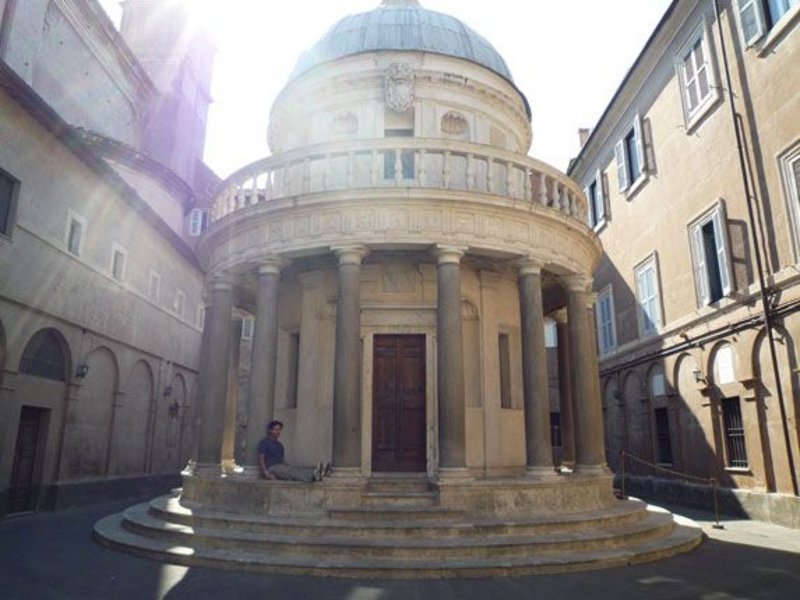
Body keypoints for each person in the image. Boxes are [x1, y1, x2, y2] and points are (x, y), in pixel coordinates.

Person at [257, 420, 331, 482]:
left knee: (293, 470)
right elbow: (261, 458)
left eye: (279, 429)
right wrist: (266, 473)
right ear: (270, 430)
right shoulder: (265, 442)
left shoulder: (280, 445)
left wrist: (288, 466)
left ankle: (318, 472)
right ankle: (313, 475)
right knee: (290, 472)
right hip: (271, 468)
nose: (278, 432)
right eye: (275, 429)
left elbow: (282, 459)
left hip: (280, 467)